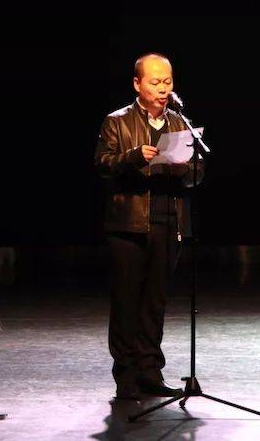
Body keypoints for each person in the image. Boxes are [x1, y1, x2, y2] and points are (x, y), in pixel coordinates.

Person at [94, 53, 205, 400]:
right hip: (129, 225)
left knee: (155, 303)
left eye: (167, 81)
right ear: (137, 84)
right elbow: (103, 164)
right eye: (155, 81)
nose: (162, 88)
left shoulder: (180, 123)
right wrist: (132, 157)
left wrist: (184, 169)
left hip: (169, 223)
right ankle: (126, 376)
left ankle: (150, 372)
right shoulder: (117, 121)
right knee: (127, 302)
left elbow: (198, 171)